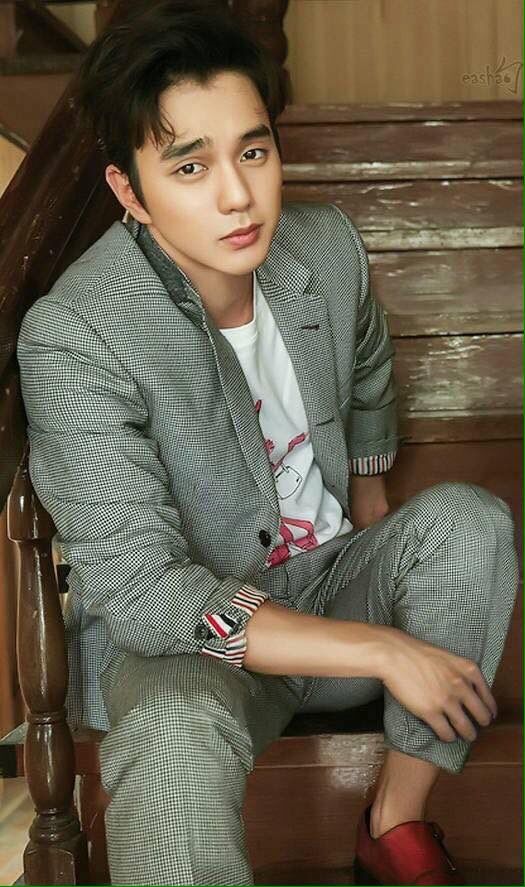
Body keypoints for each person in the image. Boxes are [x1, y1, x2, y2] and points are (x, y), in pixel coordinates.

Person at [16, 3, 519, 885]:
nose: (237, 196)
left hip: (331, 578)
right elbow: (145, 593)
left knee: (470, 523)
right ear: (128, 191)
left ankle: (394, 821)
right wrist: (381, 649)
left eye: (252, 152)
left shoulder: (321, 249)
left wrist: (368, 490)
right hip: (188, 642)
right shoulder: (78, 333)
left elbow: (367, 362)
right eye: (189, 165)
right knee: (170, 731)